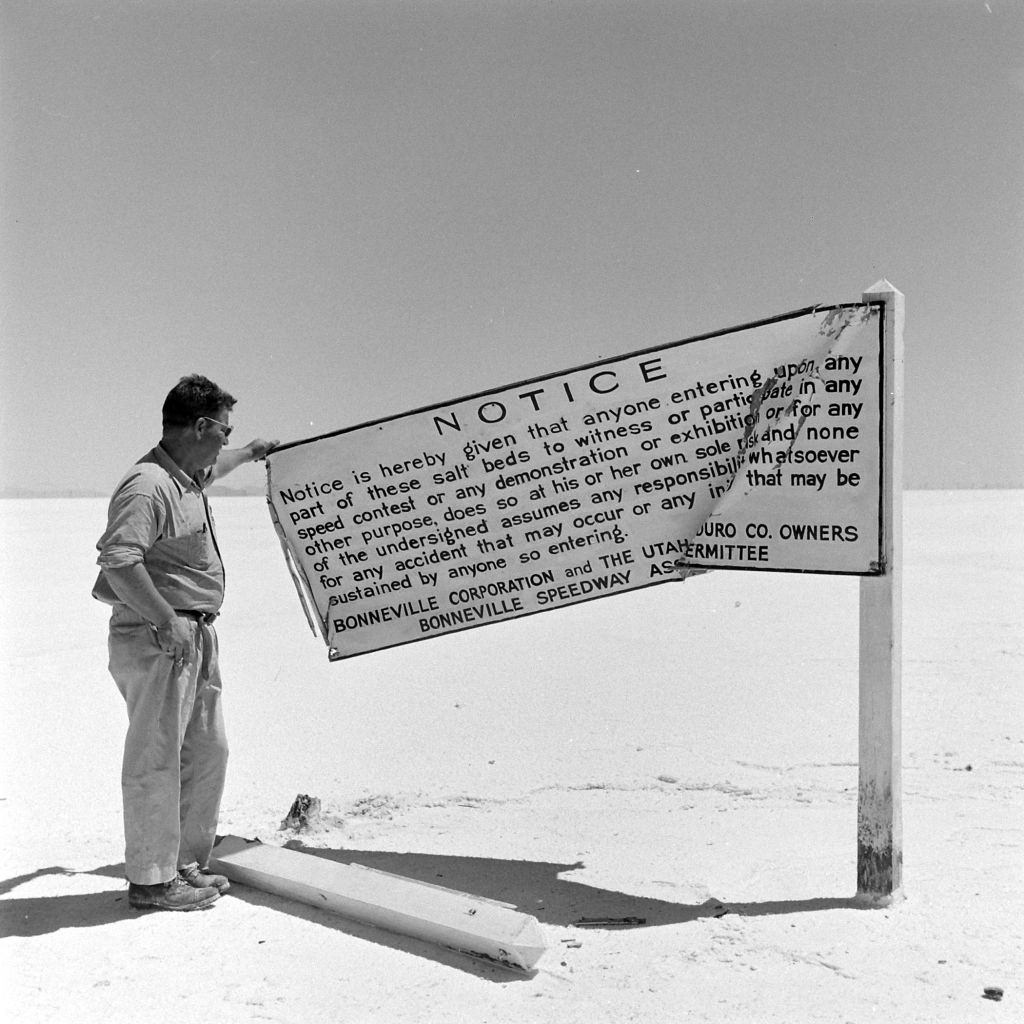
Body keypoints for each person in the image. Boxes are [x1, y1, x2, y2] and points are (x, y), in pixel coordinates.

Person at [93, 375, 277, 911]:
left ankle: (183, 863)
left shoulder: (186, 477)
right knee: (157, 757)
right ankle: (152, 882)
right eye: (224, 430)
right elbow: (118, 560)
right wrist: (165, 619)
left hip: (192, 633)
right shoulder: (148, 485)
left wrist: (249, 453)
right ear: (200, 425)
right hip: (158, 634)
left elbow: (213, 466)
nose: (226, 439)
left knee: (206, 749)